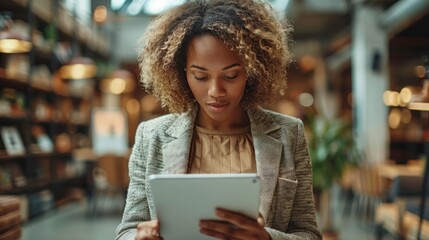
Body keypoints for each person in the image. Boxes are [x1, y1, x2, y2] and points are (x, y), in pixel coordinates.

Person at [116, 0, 322, 239]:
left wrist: (267, 238)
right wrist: (139, 237)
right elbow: (127, 230)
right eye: (201, 76)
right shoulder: (152, 136)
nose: (216, 91)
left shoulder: (289, 134)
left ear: (251, 69)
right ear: (182, 72)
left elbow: (309, 234)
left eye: (231, 75)